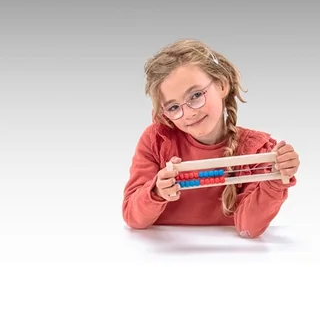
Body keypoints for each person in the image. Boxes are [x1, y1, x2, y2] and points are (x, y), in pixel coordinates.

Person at [122, 38, 300, 238]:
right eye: (173, 107)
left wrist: (275, 179)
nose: (189, 113)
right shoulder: (157, 140)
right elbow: (132, 217)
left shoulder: (258, 150)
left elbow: (248, 229)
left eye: (196, 95)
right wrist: (156, 191)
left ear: (222, 85)